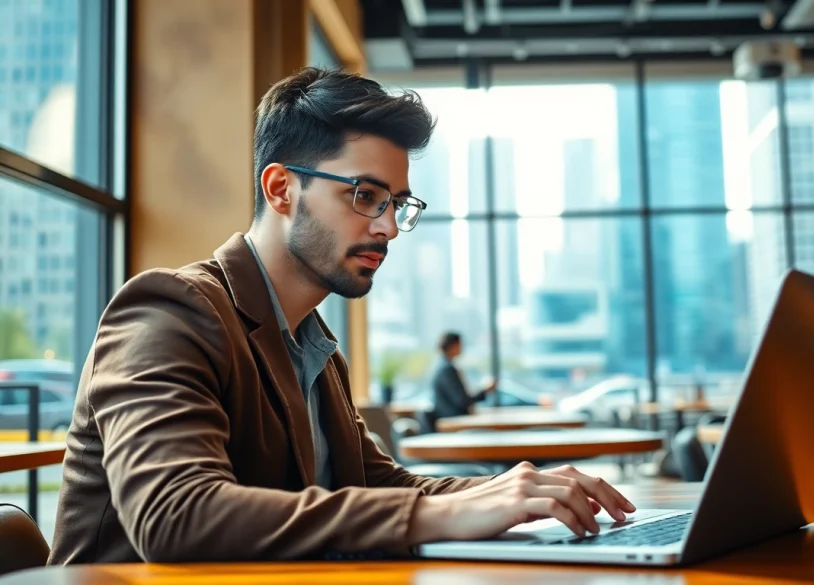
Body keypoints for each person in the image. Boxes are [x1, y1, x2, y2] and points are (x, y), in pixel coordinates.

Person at [48, 67, 634, 565]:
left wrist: (520, 493)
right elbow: (175, 515)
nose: (387, 227)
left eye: (396, 204)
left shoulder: (311, 342)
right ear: (281, 189)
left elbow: (379, 484)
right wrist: (444, 513)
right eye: (364, 195)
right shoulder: (169, 309)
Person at [431, 332, 496, 420]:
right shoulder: (447, 369)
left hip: (450, 417)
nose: (462, 348)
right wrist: (485, 390)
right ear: (453, 345)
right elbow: (462, 401)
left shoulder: (441, 365)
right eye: (460, 344)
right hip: (453, 418)